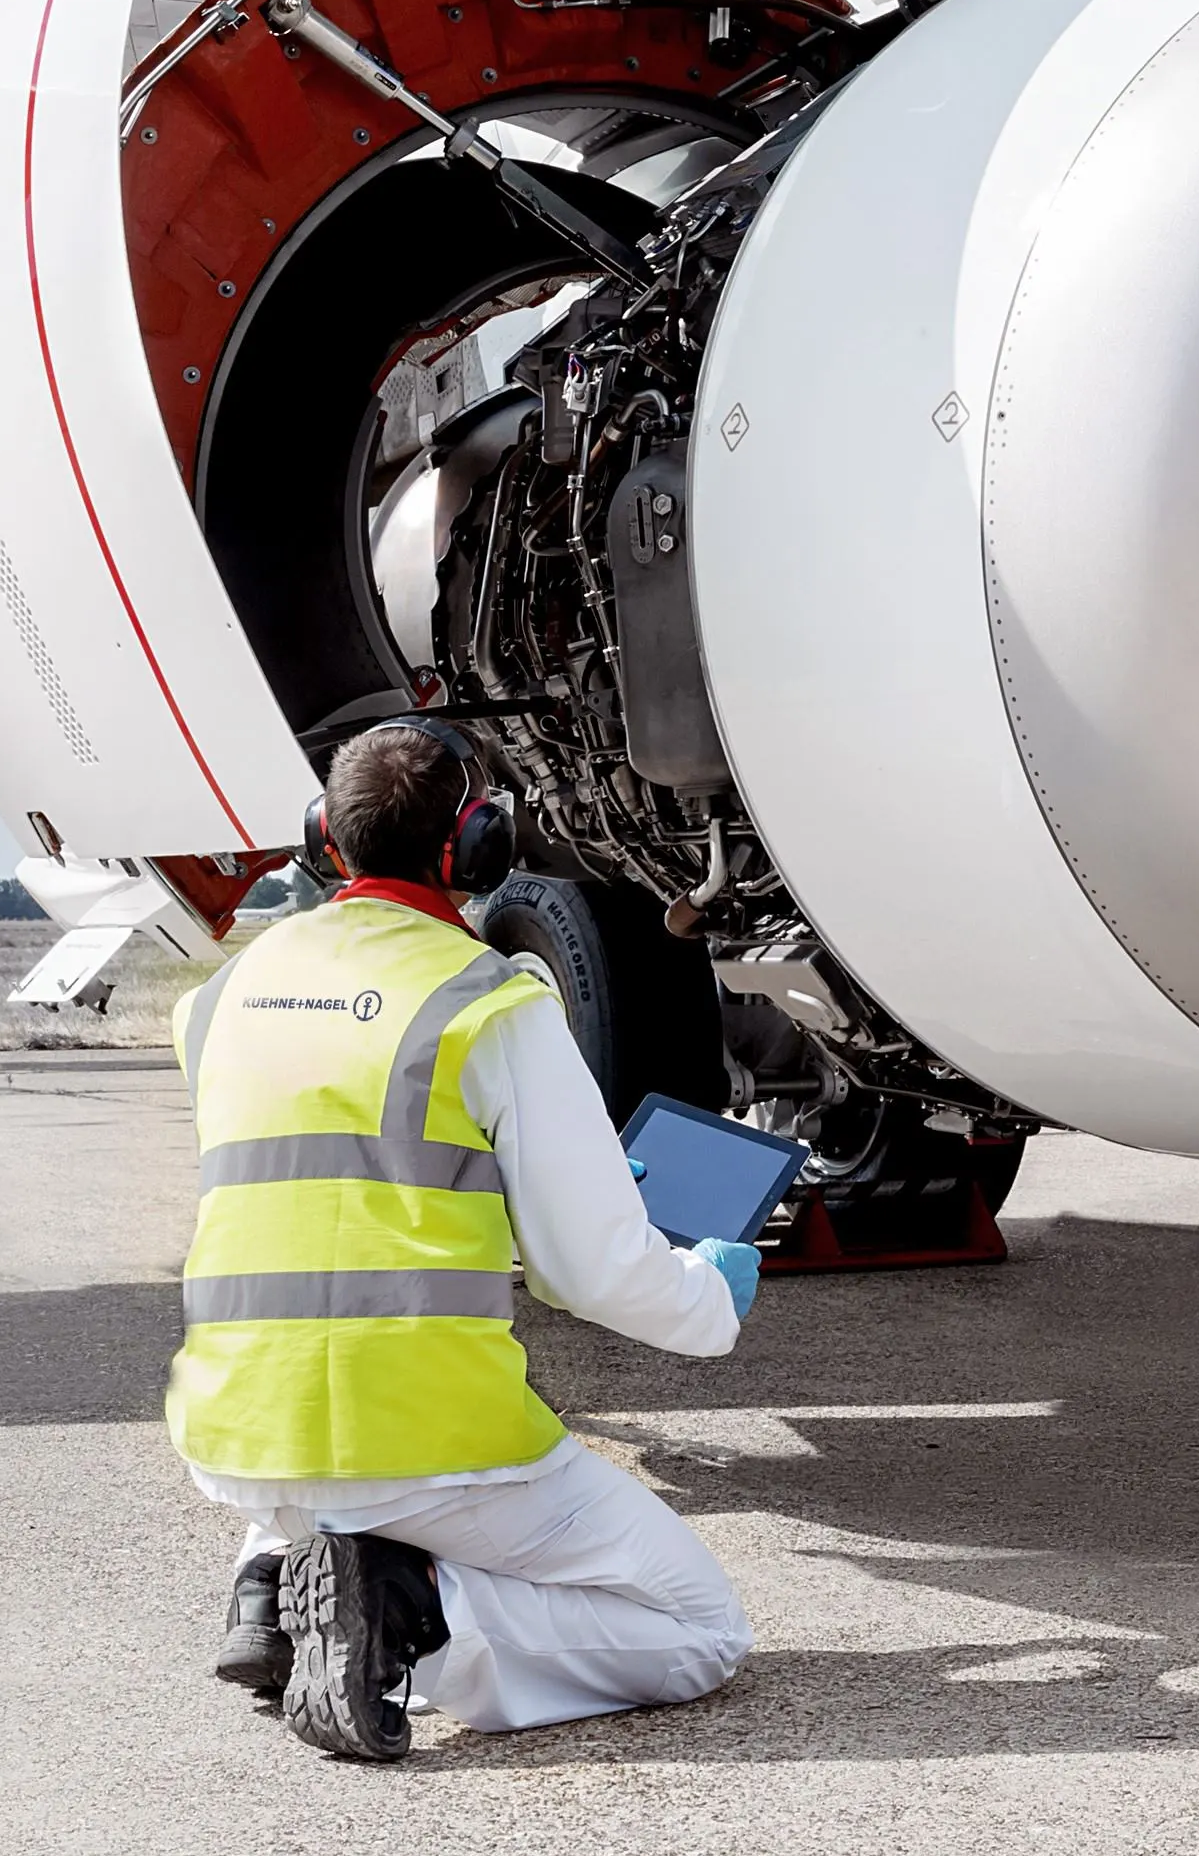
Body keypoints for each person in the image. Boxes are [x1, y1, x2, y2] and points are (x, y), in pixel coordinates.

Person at [170, 717, 761, 1760]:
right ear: (477, 844)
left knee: (329, 1463)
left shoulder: (217, 1001)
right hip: (424, 1438)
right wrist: (708, 1297)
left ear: (325, 836)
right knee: (698, 1627)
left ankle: (276, 1573)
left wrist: (503, 1183)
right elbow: (594, 1272)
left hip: (238, 1428)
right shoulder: (486, 1003)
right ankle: (408, 1611)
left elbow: (341, 1181)